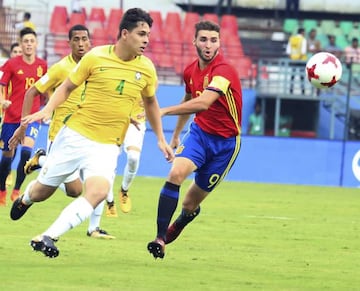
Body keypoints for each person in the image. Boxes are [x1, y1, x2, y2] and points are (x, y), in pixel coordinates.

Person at [9, 7, 174, 258]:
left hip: (107, 145)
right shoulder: (96, 57)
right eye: (141, 34)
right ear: (125, 33)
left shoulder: (147, 69)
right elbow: (66, 87)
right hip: (75, 135)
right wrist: (47, 110)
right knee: (43, 190)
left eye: (148, 34)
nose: (146, 40)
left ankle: (48, 236)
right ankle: (25, 199)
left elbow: (150, 102)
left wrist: (161, 138)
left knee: (97, 192)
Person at [147, 20, 242, 259]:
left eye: (213, 40)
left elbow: (203, 102)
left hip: (226, 145)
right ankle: (160, 238)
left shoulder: (224, 71)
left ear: (219, 43)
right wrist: (177, 134)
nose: (208, 45)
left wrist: (164, 111)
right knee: (175, 174)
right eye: (203, 39)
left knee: (190, 204)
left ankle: (180, 222)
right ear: (194, 42)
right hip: (199, 134)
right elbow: (188, 100)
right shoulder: (190, 71)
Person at [11, 25, 114, 239]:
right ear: (69, 43)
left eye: (84, 39)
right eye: (76, 39)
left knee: (92, 185)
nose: (81, 44)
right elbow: (32, 91)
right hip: (60, 137)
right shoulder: (61, 68)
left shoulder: (95, 65)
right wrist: (23, 126)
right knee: (50, 192)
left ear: (90, 41)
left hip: (89, 136)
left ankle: (93, 228)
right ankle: (26, 198)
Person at [0, 28, 47, 206]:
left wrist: (49, 107)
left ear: (36, 44)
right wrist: (3, 101)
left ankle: (17, 189)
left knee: (27, 151)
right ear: (21, 43)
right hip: (12, 117)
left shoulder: (42, 65)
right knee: (7, 156)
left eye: (31, 41)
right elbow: (2, 85)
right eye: (25, 41)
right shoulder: (12, 64)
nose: (28, 44)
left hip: (32, 117)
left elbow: (47, 88)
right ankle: (2, 190)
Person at [107, 104, 146, 216]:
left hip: (136, 121)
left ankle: (124, 190)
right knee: (109, 162)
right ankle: (110, 202)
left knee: (133, 158)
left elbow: (151, 97)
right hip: (113, 120)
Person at [1, 42, 22, 188]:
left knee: (11, 147)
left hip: (12, 116)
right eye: (15, 51)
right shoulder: (5, 70)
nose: (18, 54)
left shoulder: (24, 73)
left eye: (20, 51)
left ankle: (7, 172)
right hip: (2, 114)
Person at [286, 27, 307, 94]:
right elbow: (303, 52)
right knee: (302, 76)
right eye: (304, 32)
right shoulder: (303, 40)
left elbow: (288, 51)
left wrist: (293, 59)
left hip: (293, 60)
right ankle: (303, 91)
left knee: (292, 76)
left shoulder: (292, 39)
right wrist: (298, 59)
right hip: (300, 60)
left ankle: (291, 90)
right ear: (302, 32)